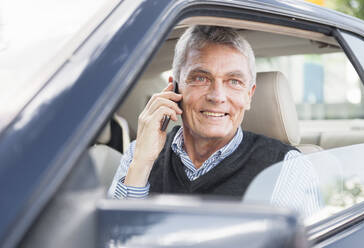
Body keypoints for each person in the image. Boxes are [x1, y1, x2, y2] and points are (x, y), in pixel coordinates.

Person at [108, 26, 321, 213]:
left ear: (249, 95)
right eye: (201, 78)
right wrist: (142, 163)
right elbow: (113, 239)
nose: (217, 96)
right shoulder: (138, 154)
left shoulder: (287, 168)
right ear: (174, 88)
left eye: (234, 81)